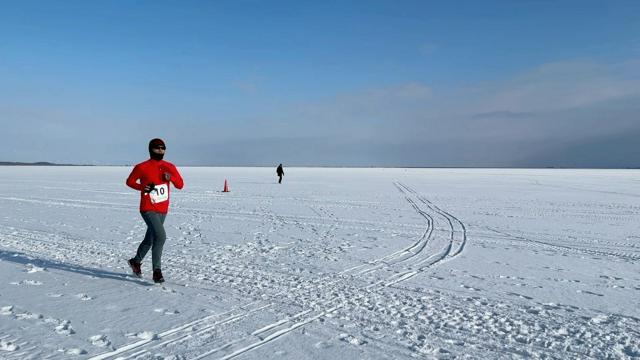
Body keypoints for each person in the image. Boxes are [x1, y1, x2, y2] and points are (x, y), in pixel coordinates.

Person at [126, 138, 184, 283]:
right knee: (161, 236)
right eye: (157, 148)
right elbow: (130, 181)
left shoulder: (169, 166)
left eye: (163, 148)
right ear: (151, 149)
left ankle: (135, 261)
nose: (160, 151)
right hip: (147, 207)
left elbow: (180, 184)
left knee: (150, 239)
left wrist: (170, 178)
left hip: (162, 209)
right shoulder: (142, 167)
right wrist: (142, 187)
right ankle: (156, 271)